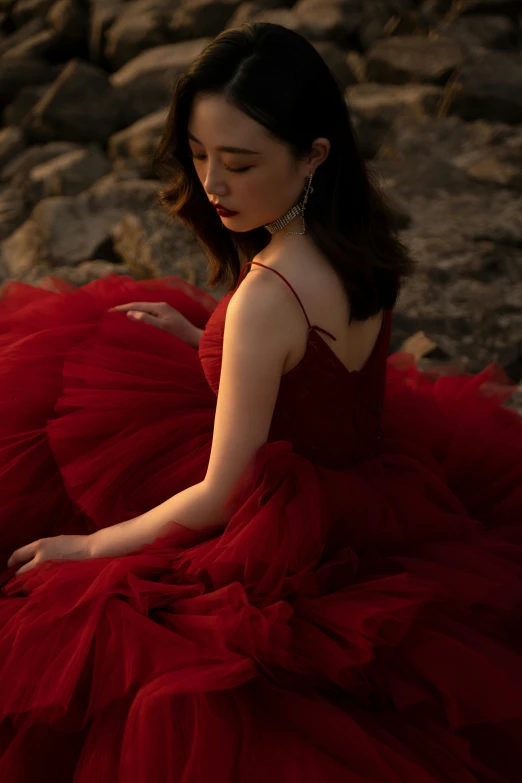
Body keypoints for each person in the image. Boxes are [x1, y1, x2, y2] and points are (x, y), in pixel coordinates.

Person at [0, 21, 520, 783]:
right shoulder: (363, 245)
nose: (212, 185)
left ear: (313, 155)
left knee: (74, 584)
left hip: (275, 530)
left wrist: (88, 547)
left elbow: (219, 495)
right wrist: (201, 339)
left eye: (239, 164)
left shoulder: (266, 297)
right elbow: (321, 375)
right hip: (365, 492)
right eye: (201, 155)